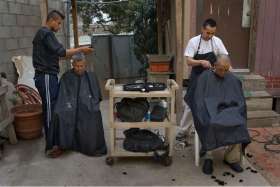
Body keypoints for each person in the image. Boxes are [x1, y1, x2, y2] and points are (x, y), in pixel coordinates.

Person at [32, 10, 93, 157]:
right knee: (49, 109)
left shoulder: (45, 35)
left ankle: (56, 141)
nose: (59, 26)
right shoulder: (46, 33)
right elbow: (61, 52)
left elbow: (57, 55)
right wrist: (81, 49)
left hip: (50, 75)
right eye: (59, 23)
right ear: (52, 20)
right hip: (46, 76)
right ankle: (51, 145)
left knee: (54, 108)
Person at [193, 55, 250, 175]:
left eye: (226, 69)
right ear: (214, 66)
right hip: (210, 111)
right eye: (221, 69)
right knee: (210, 123)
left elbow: (240, 101)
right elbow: (199, 100)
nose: (223, 72)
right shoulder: (205, 77)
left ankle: (231, 158)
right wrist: (207, 111)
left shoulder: (233, 79)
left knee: (239, 123)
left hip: (230, 110)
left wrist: (236, 111)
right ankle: (208, 157)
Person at [177, 18, 229, 140]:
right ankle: (183, 131)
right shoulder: (194, 42)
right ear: (202, 29)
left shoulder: (217, 41)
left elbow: (224, 57)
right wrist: (200, 62)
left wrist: (227, 68)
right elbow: (189, 61)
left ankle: (203, 128)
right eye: (208, 33)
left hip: (212, 77)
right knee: (191, 103)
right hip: (197, 77)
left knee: (210, 104)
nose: (210, 35)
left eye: (213, 33)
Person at [48, 53, 107, 157]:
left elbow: (97, 96)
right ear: (72, 64)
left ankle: (91, 146)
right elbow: (63, 95)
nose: (79, 69)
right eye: (76, 66)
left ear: (85, 65)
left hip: (87, 104)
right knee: (59, 113)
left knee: (93, 113)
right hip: (69, 104)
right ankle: (61, 145)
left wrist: (90, 102)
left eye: (81, 66)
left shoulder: (91, 76)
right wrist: (68, 104)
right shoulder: (66, 77)